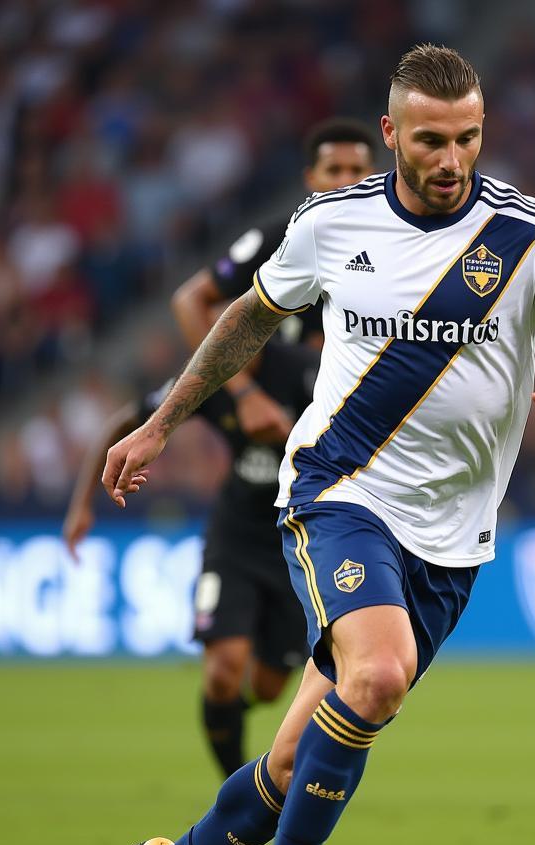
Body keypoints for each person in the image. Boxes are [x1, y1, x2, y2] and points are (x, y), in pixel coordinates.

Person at [98, 44, 535, 845]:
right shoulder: (330, 222)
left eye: (467, 139)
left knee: (284, 770)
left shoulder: (530, 236)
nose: (450, 160)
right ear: (392, 133)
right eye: (430, 140)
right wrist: (161, 425)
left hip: (454, 539)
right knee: (381, 676)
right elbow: (245, 316)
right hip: (338, 492)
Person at [63, 120, 376, 777]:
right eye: (333, 172)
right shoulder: (279, 247)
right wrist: (239, 397)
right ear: (309, 181)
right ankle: (236, 791)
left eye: (358, 172)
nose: (346, 184)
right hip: (241, 523)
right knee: (224, 668)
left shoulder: (393, 251)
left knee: (266, 685)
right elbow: (193, 305)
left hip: (311, 521)